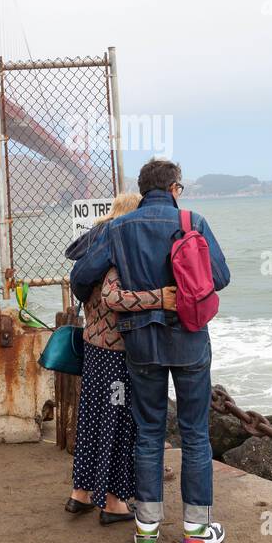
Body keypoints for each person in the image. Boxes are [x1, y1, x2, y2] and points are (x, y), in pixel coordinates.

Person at [69, 159, 230, 543]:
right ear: (175, 188)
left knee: (149, 432)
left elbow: (81, 274)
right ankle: (195, 532)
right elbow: (221, 277)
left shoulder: (119, 227)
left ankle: (146, 532)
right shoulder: (193, 222)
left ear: (143, 191)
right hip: (189, 340)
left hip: (140, 344)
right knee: (194, 434)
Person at [63, 192, 178, 524]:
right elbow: (114, 297)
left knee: (93, 420)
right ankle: (112, 502)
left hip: (94, 347)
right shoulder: (119, 248)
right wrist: (160, 298)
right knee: (119, 424)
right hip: (116, 353)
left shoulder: (92, 246)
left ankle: (80, 494)